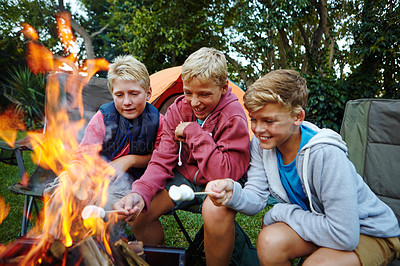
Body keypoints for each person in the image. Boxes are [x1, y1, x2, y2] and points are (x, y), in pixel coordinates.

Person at [205, 69, 400, 265]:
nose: (258, 129)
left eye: (269, 121)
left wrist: (281, 212)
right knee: (270, 242)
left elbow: (344, 235)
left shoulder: (326, 154)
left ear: (298, 117)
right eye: (254, 119)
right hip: (321, 226)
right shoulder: (261, 146)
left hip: (366, 232)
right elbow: (256, 198)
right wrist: (232, 193)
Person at [114, 47, 250, 265]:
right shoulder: (177, 110)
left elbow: (224, 172)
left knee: (216, 211)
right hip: (184, 178)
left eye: (204, 94)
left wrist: (193, 132)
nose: (194, 102)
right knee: (139, 213)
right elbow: (161, 160)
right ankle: (160, 262)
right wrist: (139, 194)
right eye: (188, 93)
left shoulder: (233, 116)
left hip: (223, 181)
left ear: (224, 88)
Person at [43, 55, 163, 241]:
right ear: (112, 94)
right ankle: (51, 248)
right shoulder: (103, 118)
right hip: (91, 176)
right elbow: (80, 159)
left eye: (134, 93)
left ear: (148, 94)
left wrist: (129, 159)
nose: (127, 102)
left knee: (110, 208)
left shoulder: (158, 121)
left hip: (129, 185)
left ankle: (104, 250)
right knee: (64, 196)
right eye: (119, 95)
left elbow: (161, 157)